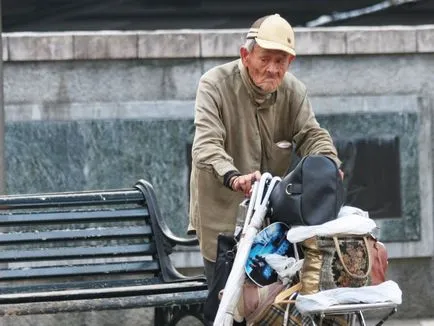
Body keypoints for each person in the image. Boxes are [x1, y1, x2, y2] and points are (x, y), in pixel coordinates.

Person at [188, 13, 342, 288]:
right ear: (245, 55)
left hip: (273, 223)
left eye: (280, 61)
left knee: (272, 305)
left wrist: (328, 165)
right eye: (265, 58)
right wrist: (235, 177)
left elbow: (312, 134)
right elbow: (206, 145)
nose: (272, 68)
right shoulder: (213, 84)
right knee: (225, 303)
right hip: (222, 215)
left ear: (290, 62)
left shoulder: (294, 91)